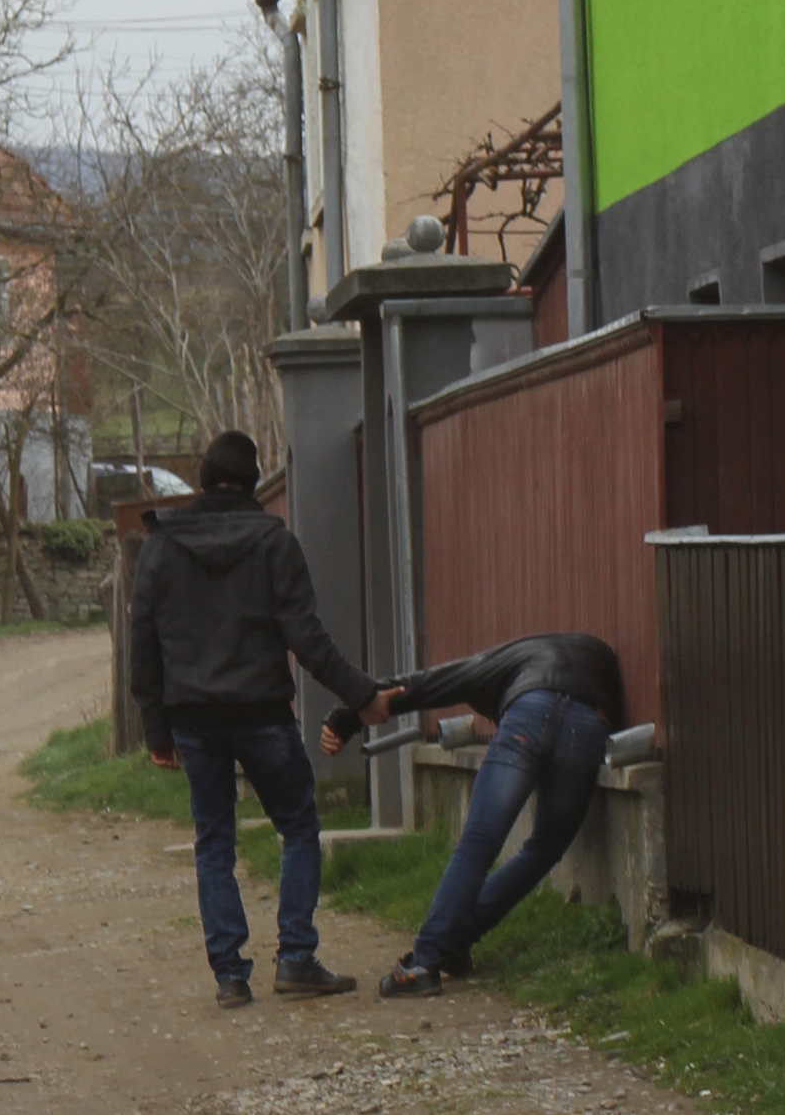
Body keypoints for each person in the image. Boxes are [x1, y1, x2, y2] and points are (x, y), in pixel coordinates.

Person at [129, 430, 401, 1010]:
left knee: (214, 841)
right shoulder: (274, 542)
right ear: (254, 482)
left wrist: (156, 732)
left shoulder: (161, 546)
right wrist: (363, 695)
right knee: (298, 827)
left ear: (203, 480)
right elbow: (308, 639)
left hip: (192, 720)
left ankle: (230, 976)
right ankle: (296, 958)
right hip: (261, 713)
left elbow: (144, 646)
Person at [319, 632, 624, 997]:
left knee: (480, 840)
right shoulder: (591, 653)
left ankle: (423, 962)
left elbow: (428, 685)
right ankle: (454, 939)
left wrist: (348, 717)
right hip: (588, 724)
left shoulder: (501, 661)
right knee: (545, 846)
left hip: (528, 714)